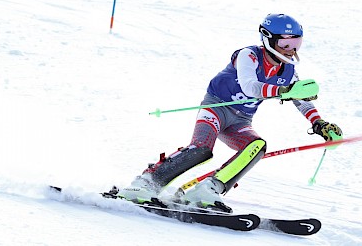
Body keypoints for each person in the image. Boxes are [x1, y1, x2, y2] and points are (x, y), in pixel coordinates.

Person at [117, 13, 343, 212]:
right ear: (268, 39)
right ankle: (145, 183)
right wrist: (283, 91)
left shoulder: (288, 70)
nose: (291, 49)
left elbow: (301, 99)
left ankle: (207, 190)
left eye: (296, 42)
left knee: (256, 147)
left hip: (240, 120)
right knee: (201, 149)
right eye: (285, 43)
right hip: (216, 108)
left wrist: (319, 123)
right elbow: (249, 86)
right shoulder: (249, 55)